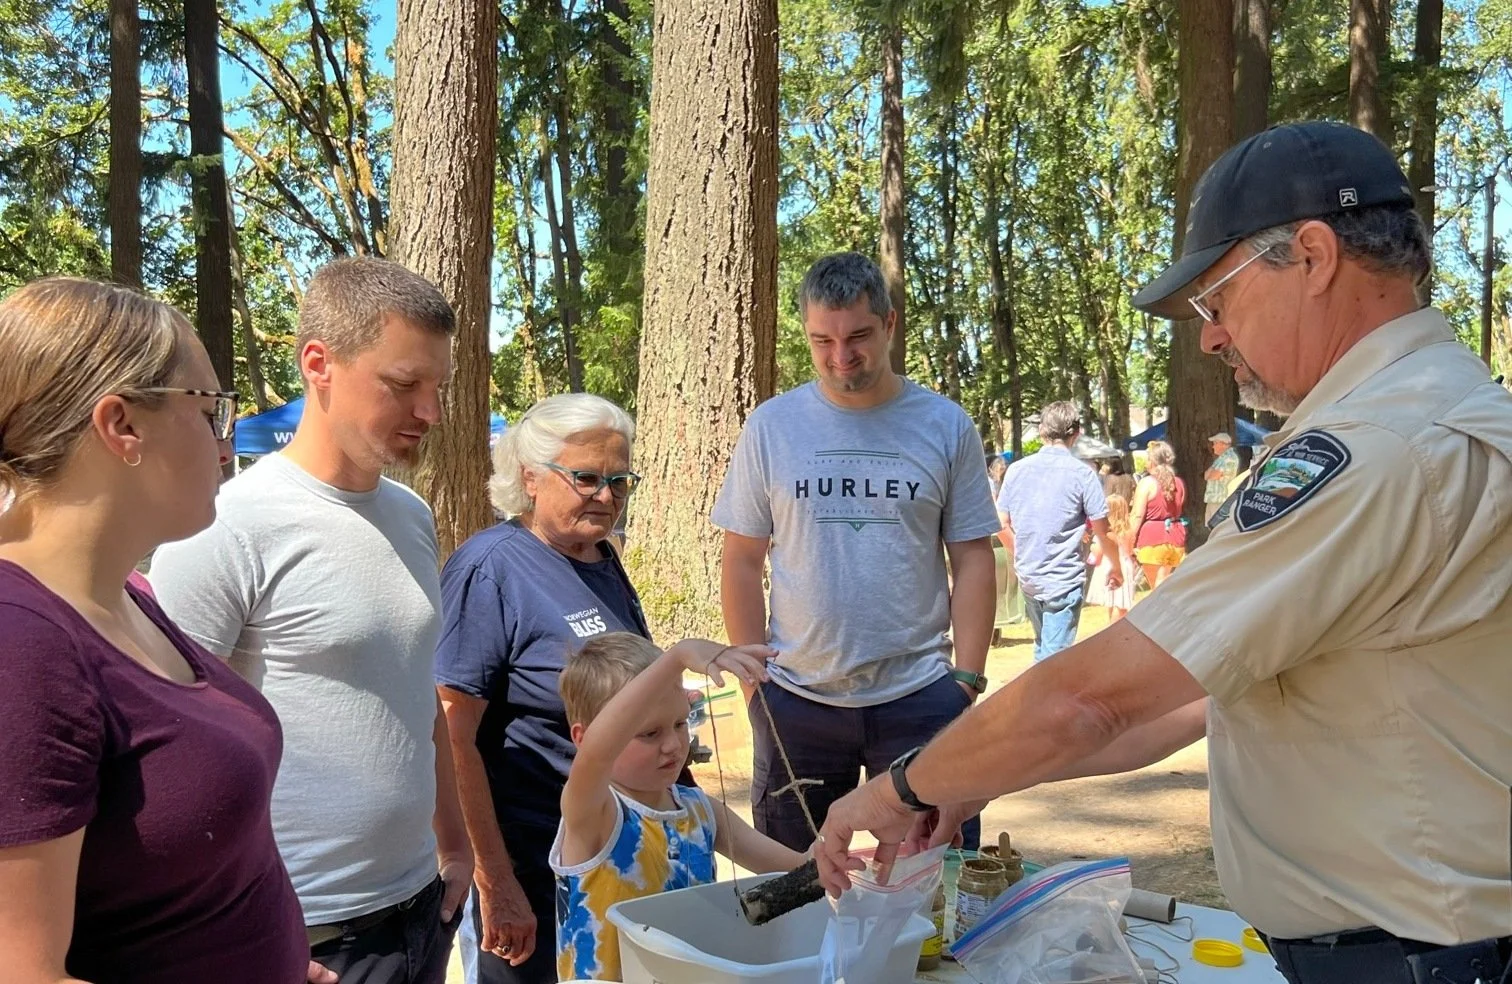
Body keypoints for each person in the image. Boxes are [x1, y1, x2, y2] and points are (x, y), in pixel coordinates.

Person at [813, 121, 1512, 984]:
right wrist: (972, 778)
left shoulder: (1377, 448)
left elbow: (1094, 698)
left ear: (1316, 256)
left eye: (1218, 302)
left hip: (1418, 955)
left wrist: (896, 789)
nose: (1212, 338)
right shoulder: (1434, 413)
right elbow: (1203, 703)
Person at [151, 258, 471, 984]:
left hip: (422, 909)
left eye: (439, 388)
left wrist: (455, 849)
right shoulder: (226, 524)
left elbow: (419, 697)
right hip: (302, 935)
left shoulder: (411, 516)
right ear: (319, 364)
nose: (431, 412)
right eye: (403, 385)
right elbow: (169, 754)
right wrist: (238, 937)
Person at [0, 278, 314, 984]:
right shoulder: (21, 645)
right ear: (121, 425)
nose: (225, 442)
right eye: (211, 411)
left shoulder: (128, 598)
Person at [713, 251, 1001, 853]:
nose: (842, 356)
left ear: (890, 324)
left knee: (932, 880)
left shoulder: (946, 425)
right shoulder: (772, 426)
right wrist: (755, 686)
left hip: (923, 698)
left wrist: (966, 680)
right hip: (796, 699)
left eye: (859, 336)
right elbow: (741, 558)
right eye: (823, 340)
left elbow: (972, 557)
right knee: (796, 883)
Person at [435, 393, 667, 984]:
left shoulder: (600, 557)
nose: (607, 496)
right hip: (535, 867)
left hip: (613, 858)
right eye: (587, 478)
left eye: (620, 480)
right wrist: (495, 879)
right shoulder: (491, 568)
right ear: (530, 478)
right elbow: (450, 734)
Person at [551, 633, 805, 981]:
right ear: (581, 736)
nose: (673, 744)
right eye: (649, 733)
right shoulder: (594, 813)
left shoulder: (700, 811)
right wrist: (676, 659)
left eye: (680, 723)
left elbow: (791, 866)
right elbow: (597, 753)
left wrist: (839, 860)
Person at [995, 402, 1122, 661]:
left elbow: (999, 521)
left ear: (1042, 431)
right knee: (1053, 660)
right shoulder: (1083, 474)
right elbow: (1102, 528)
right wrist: (1116, 565)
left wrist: (1019, 551)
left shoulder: (1016, 470)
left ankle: (1035, 697)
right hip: (1063, 577)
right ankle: (1036, 700)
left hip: (1029, 575)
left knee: (1044, 647)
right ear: (1077, 433)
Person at [1129, 440, 1186, 589]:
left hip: (1152, 537)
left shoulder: (1147, 483)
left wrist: (1129, 541)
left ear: (1153, 461)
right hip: (1175, 535)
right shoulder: (1179, 483)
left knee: (1157, 586)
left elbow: (1136, 515)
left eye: (1148, 457)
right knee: (1165, 581)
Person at [1085, 493, 1136, 622]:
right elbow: (1129, 551)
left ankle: (1112, 628)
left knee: (1113, 603)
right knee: (1121, 604)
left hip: (1110, 565)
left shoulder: (1106, 533)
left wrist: (1091, 547)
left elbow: (1098, 551)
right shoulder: (1128, 531)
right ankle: (1115, 629)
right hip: (1125, 564)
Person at [1203, 431, 1240, 524]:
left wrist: (1211, 471)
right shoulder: (1221, 459)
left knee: (1216, 527)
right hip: (1214, 499)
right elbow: (1206, 476)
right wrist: (1212, 471)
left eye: (1215, 443)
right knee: (1211, 527)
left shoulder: (1229, 458)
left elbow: (1213, 476)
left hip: (1220, 499)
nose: (1213, 446)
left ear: (1224, 444)